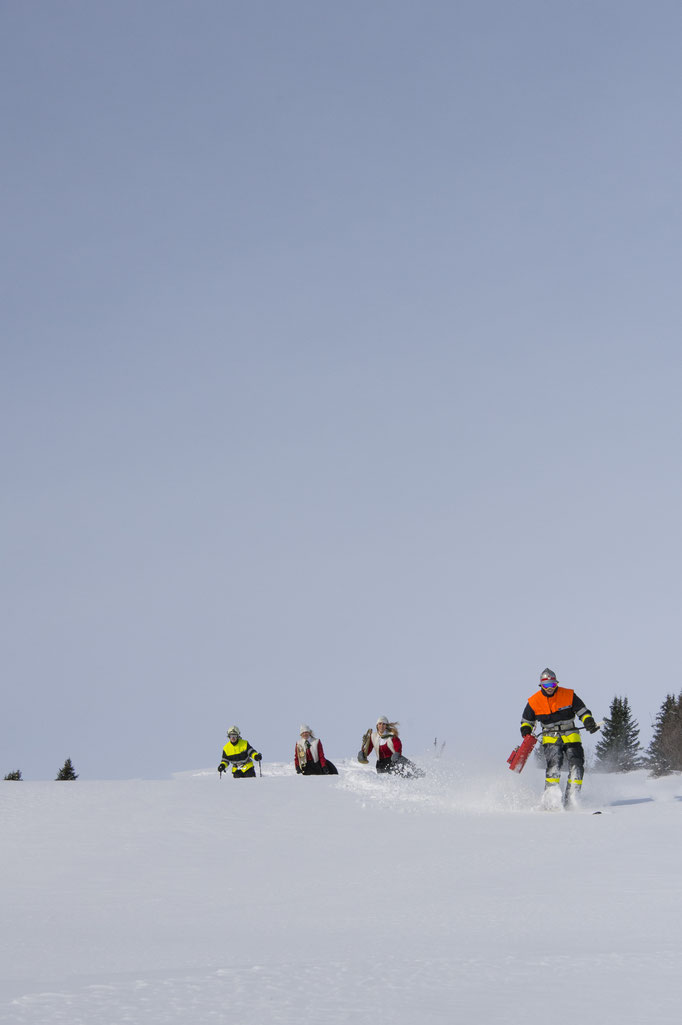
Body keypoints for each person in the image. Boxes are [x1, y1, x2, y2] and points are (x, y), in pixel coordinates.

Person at [520, 669, 599, 807]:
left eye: (552, 685)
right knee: (554, 764)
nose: (549, 689)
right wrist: (526, 729)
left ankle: (573, 799)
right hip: (550, 737)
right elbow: (526, 720)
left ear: (556, 684)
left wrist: (588, 721)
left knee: (577, 764)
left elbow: (582, 711)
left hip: (571, 734)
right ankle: (551, 799)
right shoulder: (534, 701)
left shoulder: (568, 695)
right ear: (541, 686)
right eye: (546, 686)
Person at [358, 716, 423, 777]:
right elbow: (368, 748)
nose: (381, 726)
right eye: (380, 724)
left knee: (403, 776)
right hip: (381, 765)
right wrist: (362, 754)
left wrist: (397, 753)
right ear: (377, 725)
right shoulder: (373, 736)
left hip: (393, 761)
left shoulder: (391, 735)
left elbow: (398, 745)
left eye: (383, 724)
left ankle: (418, 774)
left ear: (386, 726)